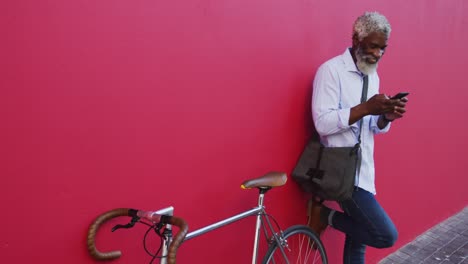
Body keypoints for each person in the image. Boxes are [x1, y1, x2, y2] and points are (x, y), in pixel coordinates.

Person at [307, 12, 408, 264]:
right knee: (385, 235)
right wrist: (366, 108)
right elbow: (322, 123)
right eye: (373, 46)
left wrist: (386, 117)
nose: (378, 54)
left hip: (364, 171)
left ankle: (325, 218)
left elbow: (372, 126)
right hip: (342, 172)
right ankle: (323, 217)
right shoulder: (330, 71)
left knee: (357, 245)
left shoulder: (372, 75)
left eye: (383, 48)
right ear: (356, 39)